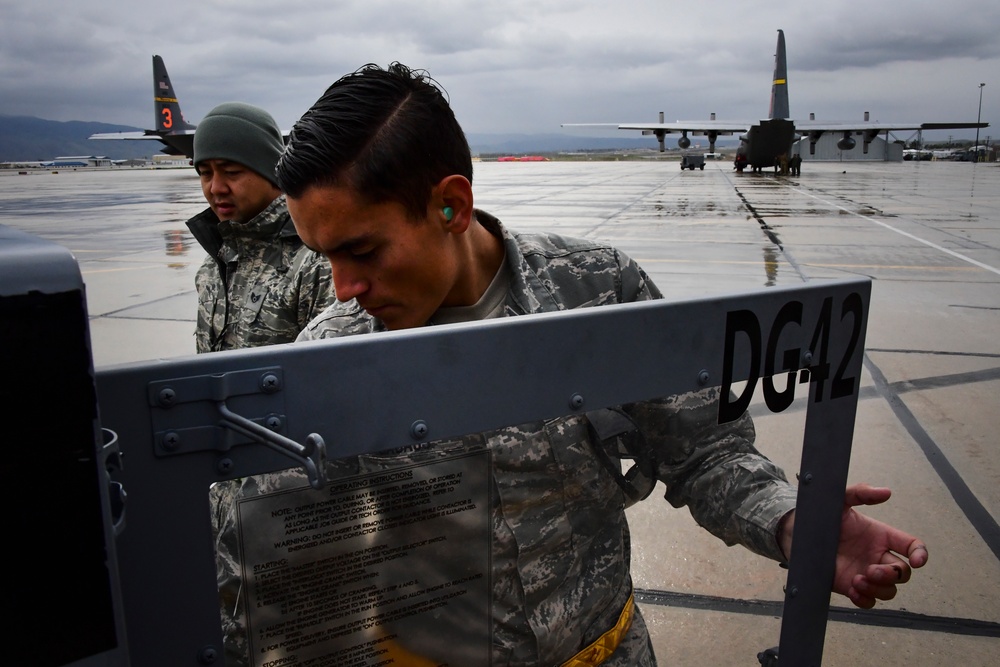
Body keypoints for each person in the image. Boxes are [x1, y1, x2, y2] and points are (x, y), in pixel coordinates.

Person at [265, 63, 927, 665]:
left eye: (361, 250)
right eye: (323, 256)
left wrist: (791, 520)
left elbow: (704, 449)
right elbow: (299, 570)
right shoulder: (331, 358)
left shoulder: (598, 288)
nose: (341, 286)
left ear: (451, 205)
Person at [185, 101, 334, 353]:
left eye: (231, 171)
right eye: (205, 173)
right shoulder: (216, 263)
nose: (215, 188)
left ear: (271, 172)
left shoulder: (314, 264)